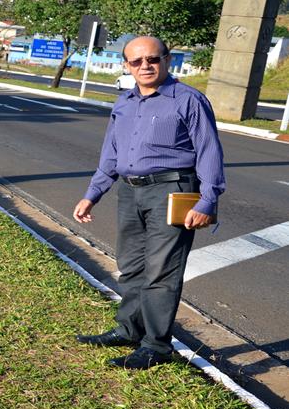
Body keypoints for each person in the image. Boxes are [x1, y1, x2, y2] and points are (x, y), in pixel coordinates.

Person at [72, 36, 225, 369]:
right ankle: (129, 329)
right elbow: (111, 155)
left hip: (171, 190)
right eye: (136, 61)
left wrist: (208, 200)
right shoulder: (124, 102)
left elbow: (209, 153)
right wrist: (92, 194)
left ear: (167, 60)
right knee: (131, 266)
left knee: (161, 273)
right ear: (126, 65)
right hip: (130, 191)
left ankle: (156, 345)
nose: (145, 66)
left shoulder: (188, 100)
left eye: (152, 59)